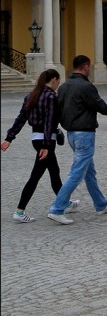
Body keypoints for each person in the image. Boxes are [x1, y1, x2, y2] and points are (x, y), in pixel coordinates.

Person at [47, 55, 107, 225]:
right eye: (89, 67)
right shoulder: (86, 86)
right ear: (85, 66)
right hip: (84, 134)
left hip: (71, 134)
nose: (89, 70)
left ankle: (101, 204)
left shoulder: (63, 87)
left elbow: (57, 112)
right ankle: (57, 208)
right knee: (76, 173)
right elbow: (102, 107)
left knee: (88, 172)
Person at [1, 69, 78, 222]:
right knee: (36, 176)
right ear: (54, 80)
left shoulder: (31, 96)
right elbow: (50, 122)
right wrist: (46, 145)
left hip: (37, 139)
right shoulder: (50, 97)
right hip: (46, 141)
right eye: (58, 81)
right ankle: (20, 211)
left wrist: (9, 138)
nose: (59, 84)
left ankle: (65, 203)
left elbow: (20, 119)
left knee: (54, 171)